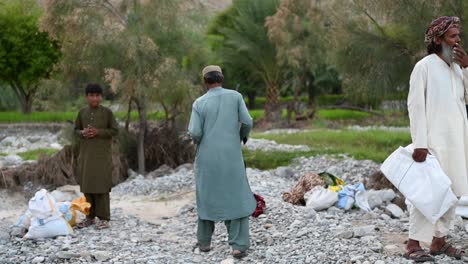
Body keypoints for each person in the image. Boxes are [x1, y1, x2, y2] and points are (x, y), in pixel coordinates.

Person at [406, 16, 468, 262]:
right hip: (433, 143)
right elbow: (415, 106)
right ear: (438, 39)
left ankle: (439, 241)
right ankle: (413, 243)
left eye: (458, 36)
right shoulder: (424, 66)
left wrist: (466, 68)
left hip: (457, 141)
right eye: (453, 36)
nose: (458, 41)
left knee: (451, 192)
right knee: (428, 193)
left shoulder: (455, 67)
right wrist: (420, 143)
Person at [188, 65, 256, 259]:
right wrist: (241, 137)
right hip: (232, 156)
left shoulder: (199, 103)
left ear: (205, 82)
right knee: (236, 195)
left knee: (206, 195)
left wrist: (201, 142)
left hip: (207, 157)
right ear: (222, 78)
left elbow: (195, 132)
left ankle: (204, 243)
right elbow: (248, 121)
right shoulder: (235, 97)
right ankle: (238, 246)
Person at [74, 83, 118, 230]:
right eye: (91, 95)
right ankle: (89, 217)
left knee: (102, 186)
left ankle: (104, 219)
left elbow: (114, 130)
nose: (94, 98)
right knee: (88, 186)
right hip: (86, 156)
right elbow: (75, 130)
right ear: (86, 97)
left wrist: (98, 132)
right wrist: (82, 133)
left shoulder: (107, 113)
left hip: (102, 156)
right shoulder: (82, 113)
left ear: (101, 97)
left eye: (97, 95)